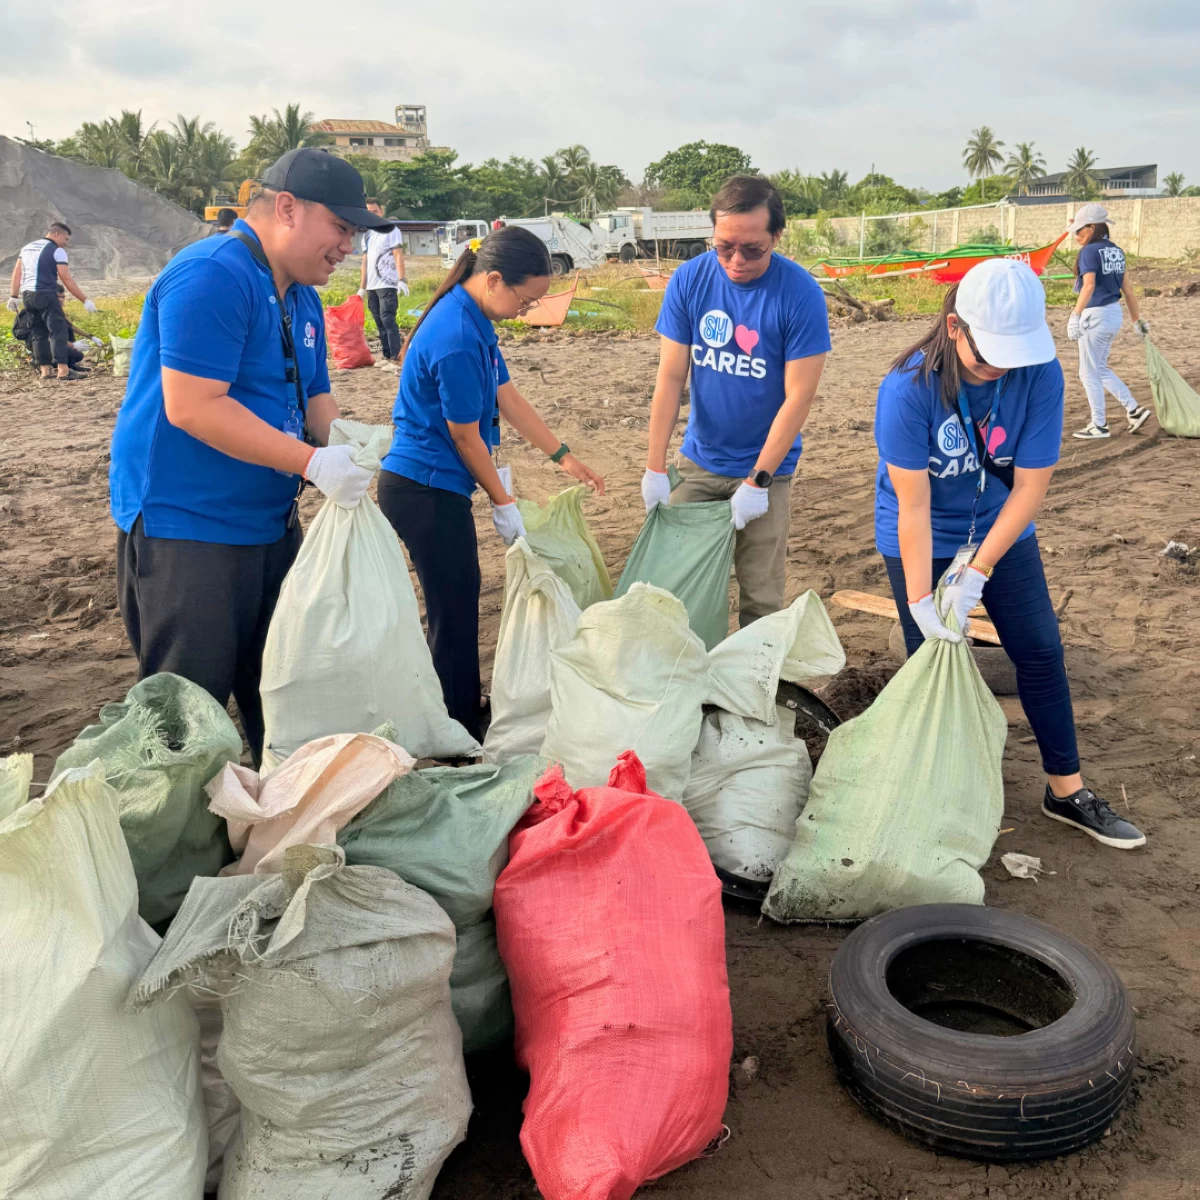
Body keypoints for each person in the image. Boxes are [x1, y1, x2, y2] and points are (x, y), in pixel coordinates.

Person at [108, 148, 394, 765]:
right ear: (286, 208)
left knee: (287, 690)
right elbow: (193, 405)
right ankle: (169, 848)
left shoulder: (301, 298)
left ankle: (276, 826)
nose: (347, 246)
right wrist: (313, 464)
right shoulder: (213, 274)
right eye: (341, 228)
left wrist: (343, 441)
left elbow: (314, 395)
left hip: (269, 524)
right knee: (186, 713)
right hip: (191, 527)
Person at [875, 257, 1145, 850]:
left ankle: (1066, 790)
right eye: (985, 353)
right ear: (954, 327)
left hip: (1002, 528)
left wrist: (978, 571)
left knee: (1041, 651)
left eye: (1011, 353)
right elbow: (914, 506)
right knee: (933, 663)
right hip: (922, 534)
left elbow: (1029, 488)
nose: (998, 366)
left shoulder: (1041, 373)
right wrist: (923, 599)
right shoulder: (907, 390)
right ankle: (940, 791)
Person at [378, 226, 605, 741]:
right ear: (495, 279)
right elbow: (464, 437)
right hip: (423, 488)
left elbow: (509, 398)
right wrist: (503, 503)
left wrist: (564, 458)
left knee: (460, 598)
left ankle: (459, 708)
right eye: (525, 302)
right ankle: (455, 726)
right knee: (452, 605)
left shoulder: (474, 322)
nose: (525, 312)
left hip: (439, 483)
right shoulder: (456, 336)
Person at [642, 174, 830, 627]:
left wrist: (759, 480)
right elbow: (670, 378)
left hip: (767, 470)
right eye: (724, 246)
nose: (736, 260)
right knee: (673, 588)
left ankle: (751, 694)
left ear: (777, 237)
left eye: (752, 249)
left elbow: (798, 397)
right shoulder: (690, 280)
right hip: (700, 462)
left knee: (761, 599)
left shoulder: (800, 294)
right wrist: (653, 468)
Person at [1066, 203, 1152, 440]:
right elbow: (1128, 290)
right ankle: (1134, 410)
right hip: (1114, 314)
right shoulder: (1116, 251)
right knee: (1099, 368)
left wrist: (1075, 316)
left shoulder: (1089, 252)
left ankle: (1099, 425)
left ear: (1092, 227)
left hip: (1096, 315)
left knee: (1088, 372)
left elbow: (1089, 285)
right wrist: (1137, 321)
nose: (1076, 235)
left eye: (1080, 230)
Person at [7, 222, 99, 380]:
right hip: (47, 294)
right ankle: (63, 370)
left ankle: (45, 371)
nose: (66, 243)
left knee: (38, 333)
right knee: (58, 331)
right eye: (66, 239)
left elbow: (17, 274)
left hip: (28, 296)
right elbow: (66, 278)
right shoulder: (58, 250)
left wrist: (14, 296)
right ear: (57, 234)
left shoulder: (26, 248)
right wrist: (85, 300)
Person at [358, 199, 408, 368]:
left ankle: (396, 355)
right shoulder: (367, 235)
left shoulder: (391, 230)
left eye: (375, 211)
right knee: (379, 321)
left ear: (381, 212)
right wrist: (362, 288)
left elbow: (397, 254)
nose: (372, 215)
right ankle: (386, 355)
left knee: (388, 319)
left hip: (386, 283)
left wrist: (402, 280)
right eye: (368, 212)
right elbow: (364, 262)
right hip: (372, 286)